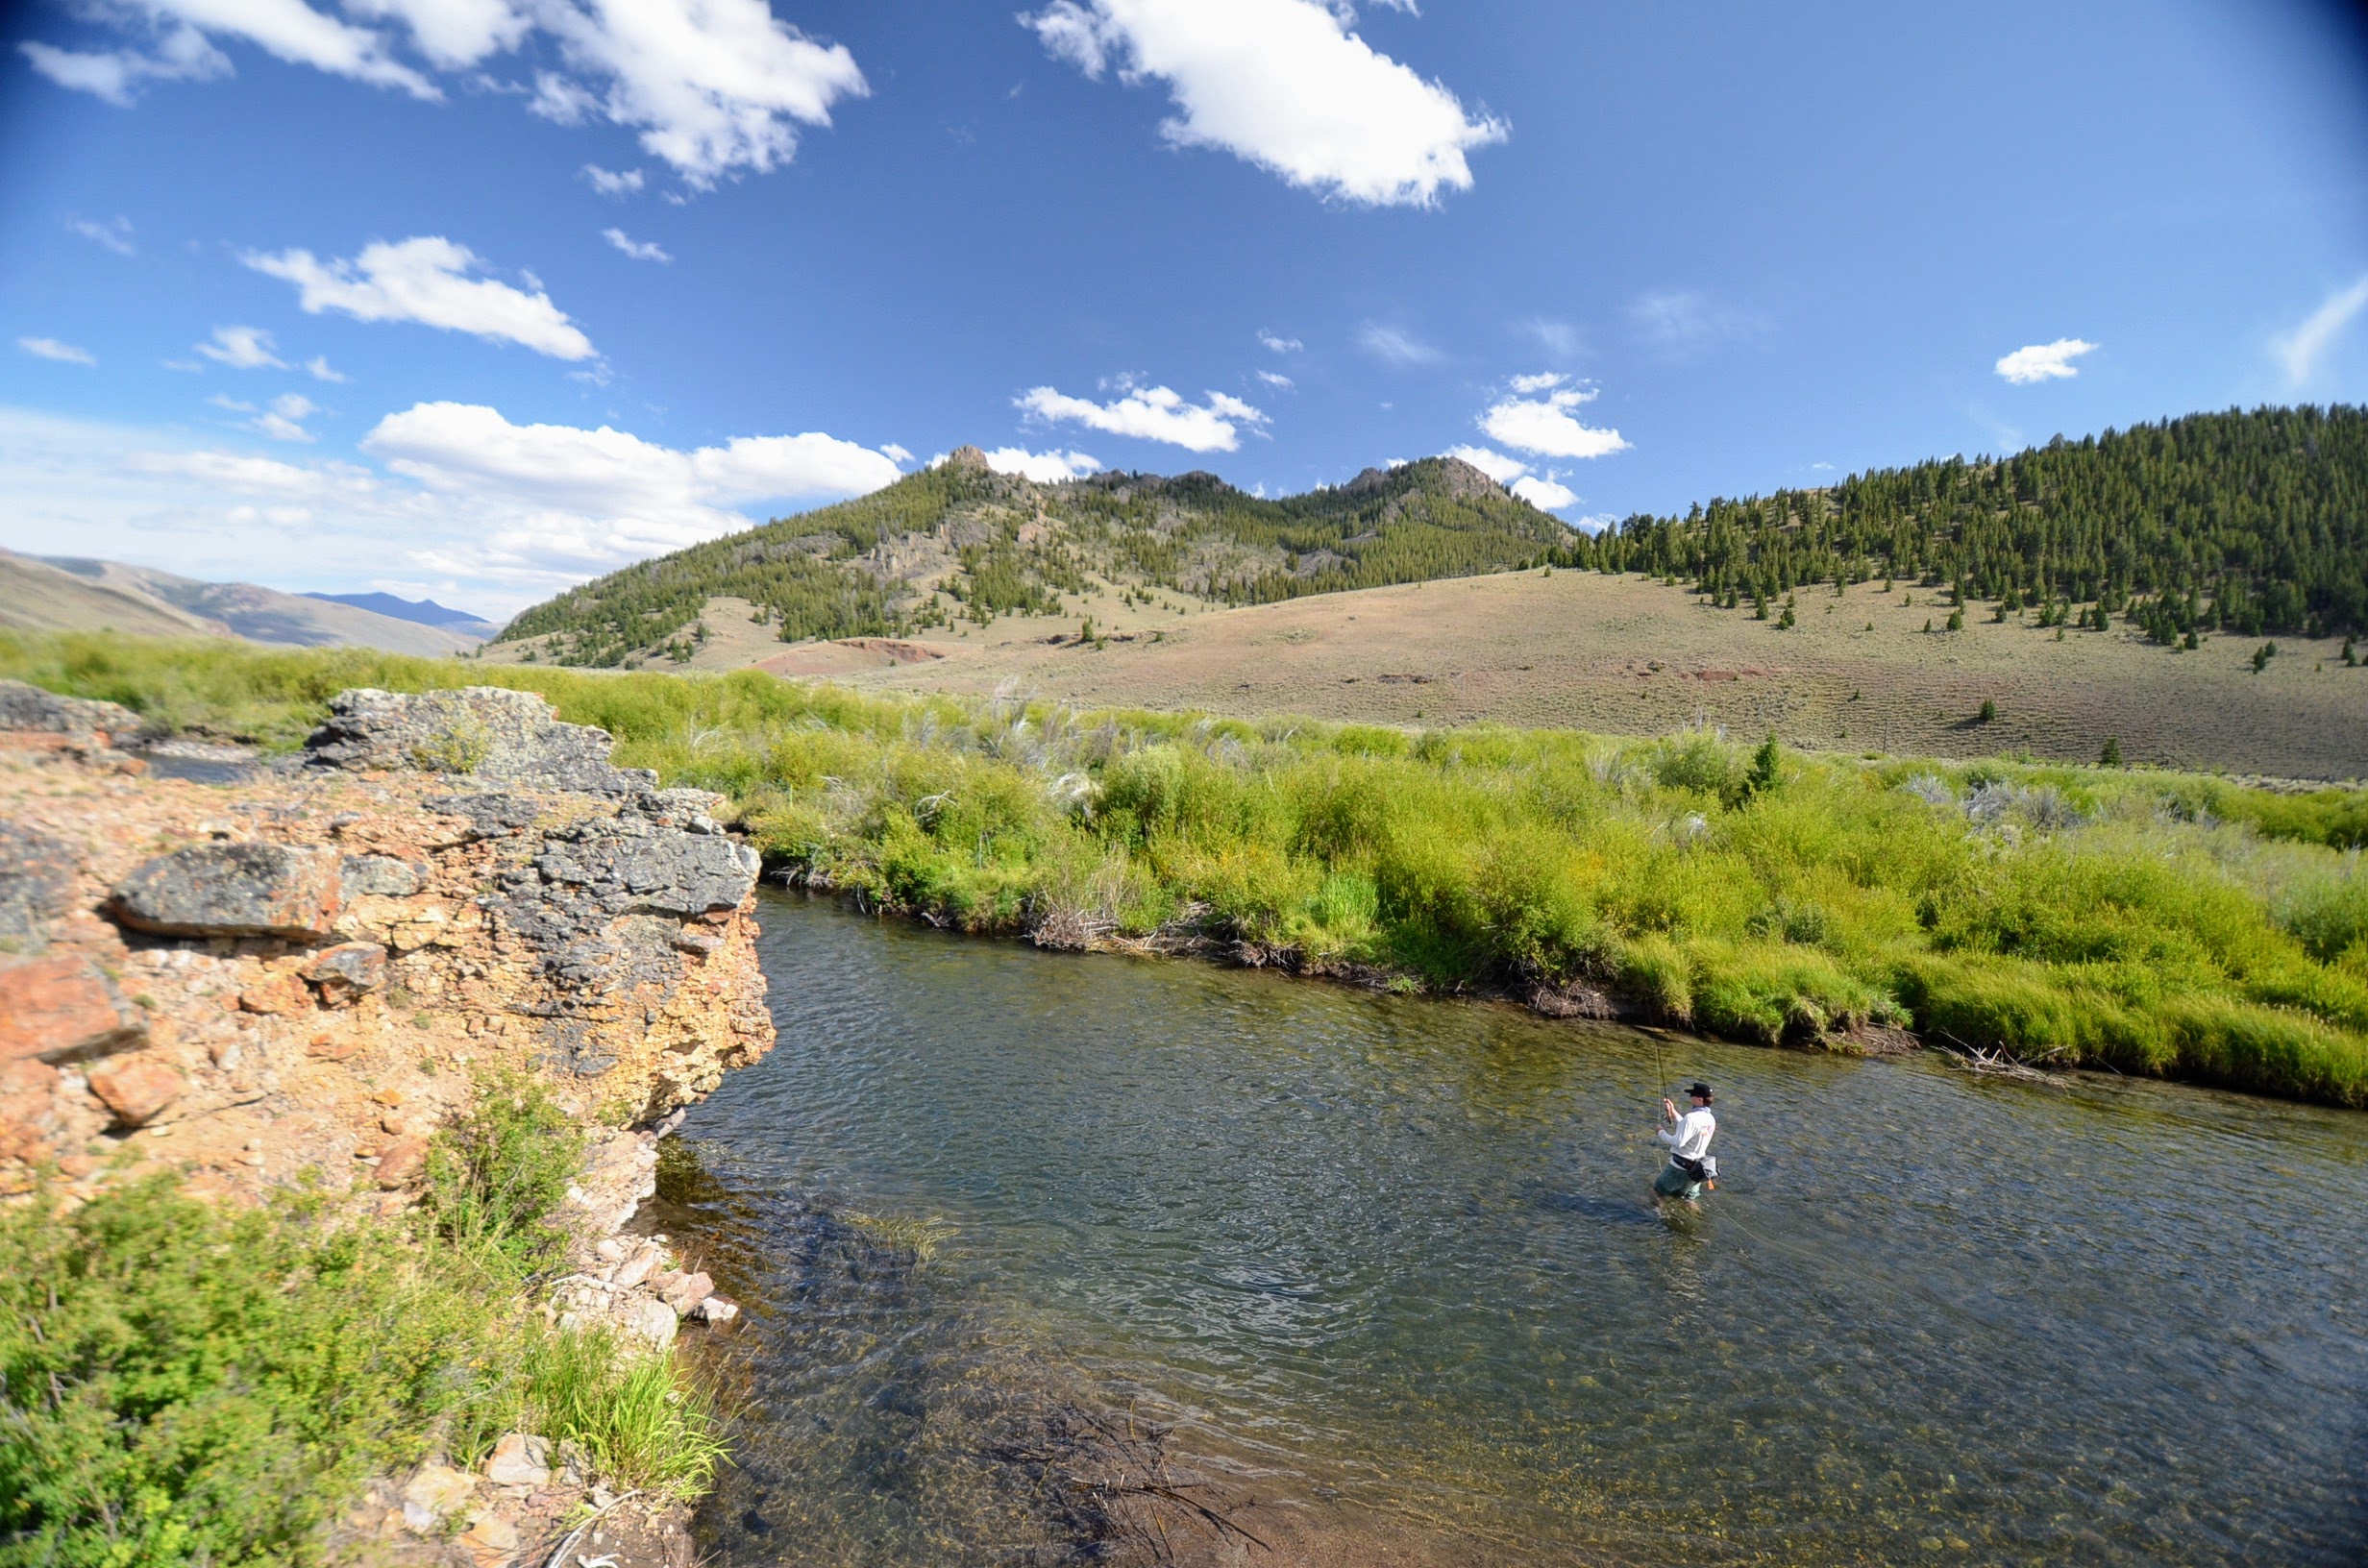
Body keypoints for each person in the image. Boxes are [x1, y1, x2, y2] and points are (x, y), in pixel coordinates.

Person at [1653, 1082, 1716, 1202]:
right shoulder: (1710, 1118)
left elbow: (1678, 1142)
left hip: (1680, 1168)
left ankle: (1660, 1218)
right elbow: (1689, 1128)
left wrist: (1661, 1132)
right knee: (1689, 1200)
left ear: (1699, 1099)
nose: (1690, 1097)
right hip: (1698, 1169)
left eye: (1692, 1094)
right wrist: (1672, 1110)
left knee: (1657, 1193)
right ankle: (1696, 1218)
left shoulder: (1691, 1118)